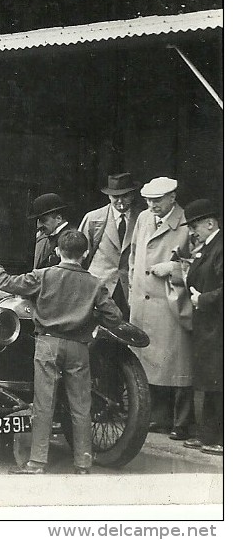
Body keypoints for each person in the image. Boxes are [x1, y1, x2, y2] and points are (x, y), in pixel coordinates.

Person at [0, 230, 123, 474]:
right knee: (81, 407)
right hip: (79, 349)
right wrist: (88, 321)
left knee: (44, 404)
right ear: (85, 254)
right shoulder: (95, 283)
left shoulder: (44, 276)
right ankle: (83, 464)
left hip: (48, 345)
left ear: (58, 252)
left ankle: (37, 463)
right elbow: (114, 317)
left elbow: (6, 283)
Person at [127, 176, 194, 441]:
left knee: (177, 364)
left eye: (157, 200)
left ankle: (182, 422)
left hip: (171, 303)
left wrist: (175, 270)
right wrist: (134, 283)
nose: (152, 205)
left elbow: (197, 264)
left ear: (172, 198)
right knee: (149, 361)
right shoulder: (143, 219)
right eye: (148, 201)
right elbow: (133, 254)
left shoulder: (186, 223)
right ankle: (159, 416)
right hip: (143, 302)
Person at [180, 199, 223, 456]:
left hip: (218, 326)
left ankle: (218, 438)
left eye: (195, 225)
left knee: (218, 382)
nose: (192, 231)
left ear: (210, 223)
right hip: (209, 326)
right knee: (210, 381)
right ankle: (208, 435)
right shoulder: (210, 246)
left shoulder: (222, 247)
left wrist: (201, 299)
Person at [78, 173, 145, 318]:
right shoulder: (93, 219)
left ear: (133, 195)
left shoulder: (142, 218)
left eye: (125, 196)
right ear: (109, 196)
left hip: (130, 289)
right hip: (100, 288)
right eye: (115, 197)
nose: (120, 201)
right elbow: (79, 256)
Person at [30, 192, 71, 269]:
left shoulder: (70, 239)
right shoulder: (45, 237)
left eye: (43, 220)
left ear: (58, 219)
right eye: (38, 221)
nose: (38, 226)